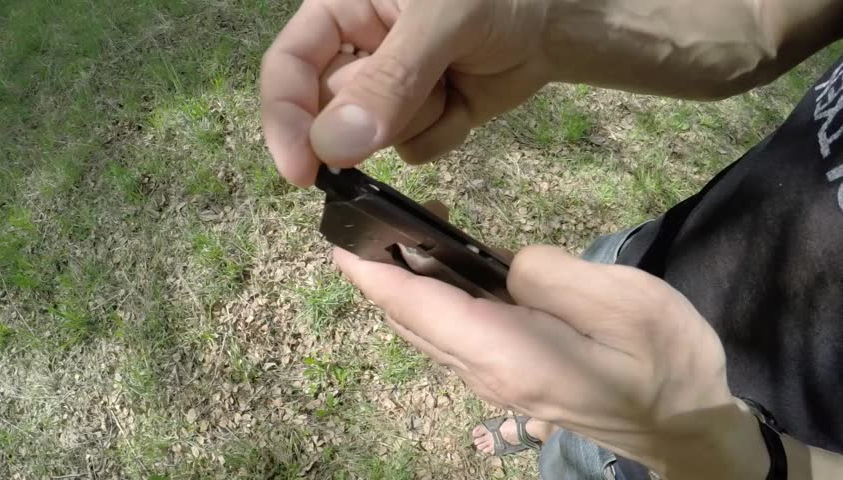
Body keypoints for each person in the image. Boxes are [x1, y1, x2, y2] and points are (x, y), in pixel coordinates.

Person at [259, 0, 843, 478]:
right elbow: (761, 18)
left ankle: (557, 430)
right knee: (551, 385)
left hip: (711, 452)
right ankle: (543, 422)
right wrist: (540, 22)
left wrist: (720, 449)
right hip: (641, 267)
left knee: (575, 456)